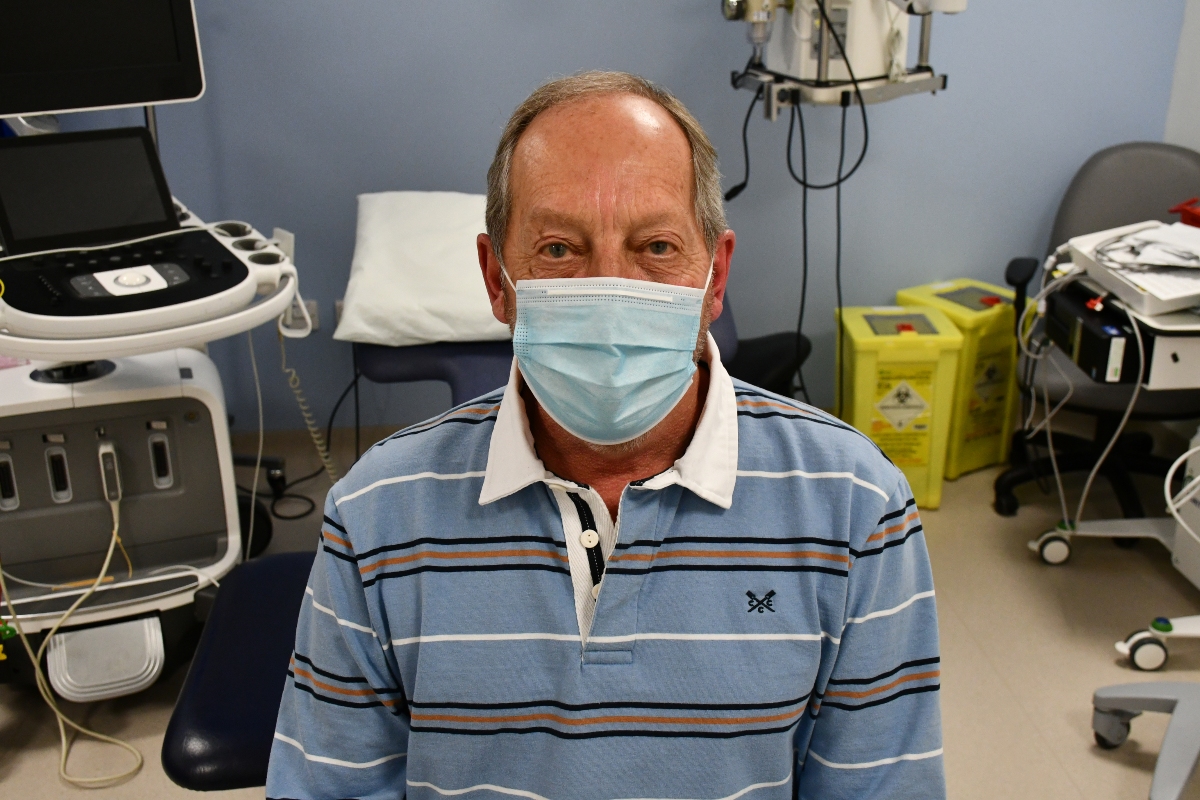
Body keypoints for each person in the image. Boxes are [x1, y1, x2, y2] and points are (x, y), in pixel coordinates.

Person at [267, 71, 944, 800]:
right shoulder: (376, 515)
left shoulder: (856, 508)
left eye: (655, 246)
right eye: (559, 250)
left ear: (714, 279)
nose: (611, 293)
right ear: (498, 281)